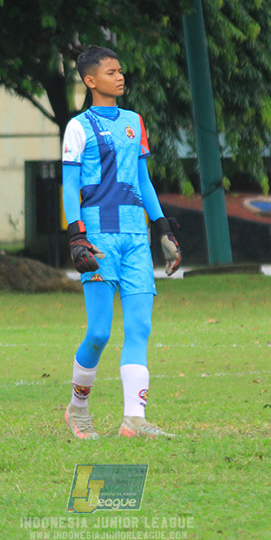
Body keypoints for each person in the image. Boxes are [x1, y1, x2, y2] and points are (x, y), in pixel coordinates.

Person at [61, 45, 181, 440]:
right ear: (90, 80)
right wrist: (77, 236)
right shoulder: (78, 127)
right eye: (111, 72)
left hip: (135, 237)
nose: (120, 76)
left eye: (121, 70)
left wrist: (163, 228)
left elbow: (143, 181)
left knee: (140, 328)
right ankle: (78, 410)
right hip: (97, 237)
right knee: (98, 333)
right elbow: (70, 184)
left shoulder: (135, 121)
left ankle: (134, 419)